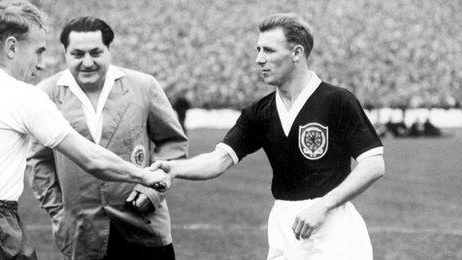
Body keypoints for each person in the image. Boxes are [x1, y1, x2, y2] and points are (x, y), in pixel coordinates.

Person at [0, 2, 171, 259]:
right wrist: (143, 176)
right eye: (38, 52)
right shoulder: (20, 95)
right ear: (11, 47)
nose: (41, 64)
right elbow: (91, 159)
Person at [151, 13, 385, 259]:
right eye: (258, 50)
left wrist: (324, 204)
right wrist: (175, 168)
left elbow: (373, 164)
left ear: (297, 53)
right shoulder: (259, 113)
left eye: (269, 51)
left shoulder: (337, 101)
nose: (259, 59)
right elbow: (218, 160)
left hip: (333, 225)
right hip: (284, 227)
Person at [27, 16, 188, 260]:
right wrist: (60, 212)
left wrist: (152, 191)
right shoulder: (47, 94)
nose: (87, 62)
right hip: (83, 234)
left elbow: (173, 142)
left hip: (144, 226)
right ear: (65, 54)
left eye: (96, 52)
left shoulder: (143, 86)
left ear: (109, 50)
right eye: (78, 54)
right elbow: (38, 161)